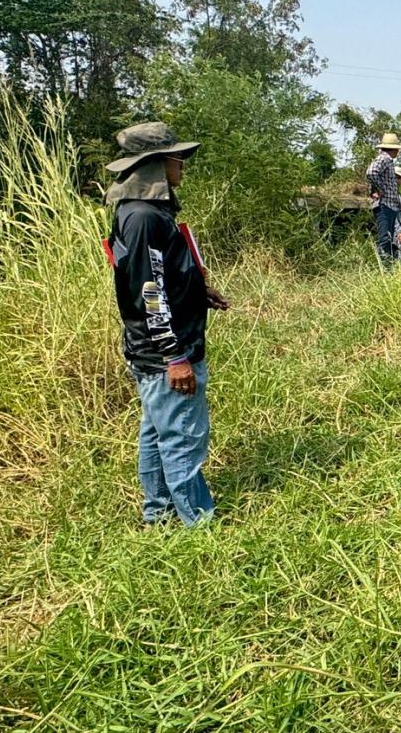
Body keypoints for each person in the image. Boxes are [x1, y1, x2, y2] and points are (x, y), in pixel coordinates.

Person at [104, 122, 230, 527]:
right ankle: (198, 520)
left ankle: (158, 514)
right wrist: (174, 356)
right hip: (166, 351)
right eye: (178, 159)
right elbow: (148, 292)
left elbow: (158, 277)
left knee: (158, 433)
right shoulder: (143, 218)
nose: (183, 167)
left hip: (152, 347)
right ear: (156, 165)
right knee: (183, 437)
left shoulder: (144, 213)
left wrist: (198, 292)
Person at [366, 132, 401, 267]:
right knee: (385, 239)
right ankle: (384, 268)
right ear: (394, 149)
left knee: (389, 239)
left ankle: (389, 267)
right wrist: (382, 189)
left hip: (390, 206)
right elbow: (371, 173)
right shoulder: (384, 158)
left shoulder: (387, 160)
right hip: (385, 205)